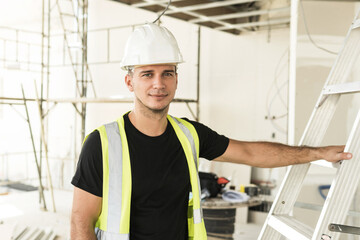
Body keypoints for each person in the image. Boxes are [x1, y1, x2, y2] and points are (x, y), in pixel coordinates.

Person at [70, 23, 352, 240]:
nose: (159, 83)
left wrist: (317, 153)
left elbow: (251, 152)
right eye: (147, 74)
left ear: (176, 79)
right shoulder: (102, 143)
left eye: (167, 73)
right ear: (129, 82)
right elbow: (81, 222)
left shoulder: (189, 134)